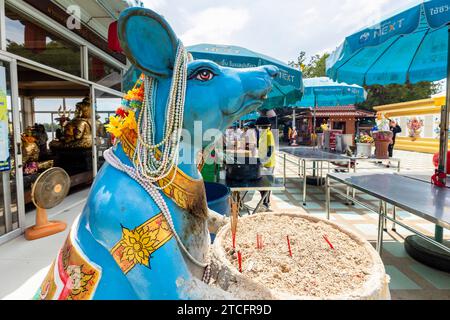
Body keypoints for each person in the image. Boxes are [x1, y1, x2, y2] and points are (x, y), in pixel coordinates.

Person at [256, 116, 276, 212]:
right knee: (262, 184)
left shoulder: (269, 134)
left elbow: (270, 149)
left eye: (259, 126)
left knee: (266, 184)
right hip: (263, 163)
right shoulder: (263, 134)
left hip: (268, 164)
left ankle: (266, 203)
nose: (258, 128)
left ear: (262, 126)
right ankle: (263, 201)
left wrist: (264, 160)